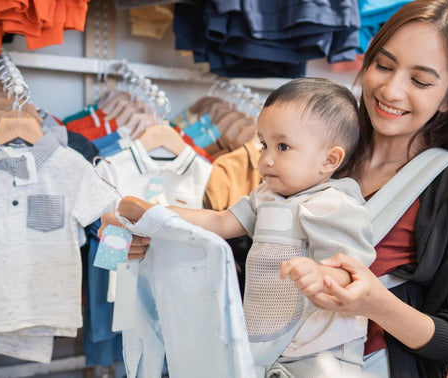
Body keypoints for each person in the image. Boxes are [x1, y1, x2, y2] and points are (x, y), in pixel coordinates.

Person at [102, 77, 376, 377]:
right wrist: (156, 213)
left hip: (321, 352)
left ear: (329, 159)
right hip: (266, 349)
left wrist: (322, 274)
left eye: (282, 147)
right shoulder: (265, 197)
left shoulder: (335, 205)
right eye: (263, 144)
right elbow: (219, 221)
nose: (265, 159)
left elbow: (354, 271)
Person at [291, 1, 448, 377]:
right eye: (383, 66)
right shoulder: (314, 152)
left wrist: (377, 304)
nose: (391, 90)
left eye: (420, 81)